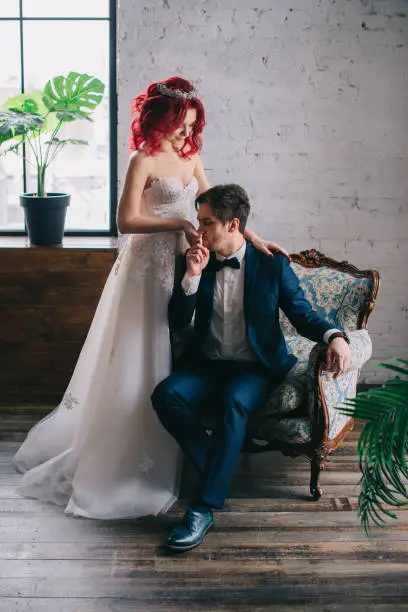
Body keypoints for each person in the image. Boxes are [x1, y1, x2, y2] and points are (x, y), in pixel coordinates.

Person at [12, 77, 290, 519]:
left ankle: (186, 450)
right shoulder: (142, 160)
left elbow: (216, 204)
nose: (187, 134)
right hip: (146, 267)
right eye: (182, 125)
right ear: (163, 119)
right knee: (144, 351)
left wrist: (251, 236)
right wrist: (178, 226)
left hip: (186, 261)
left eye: (193, 126)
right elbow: (125, 221)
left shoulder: (191, 156)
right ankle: (135, 454)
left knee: (178, 345)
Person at [151, 183, 351, 551]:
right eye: (198, 221)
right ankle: (218, 467)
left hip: (255, 367)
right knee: (166, 395)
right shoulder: (196, 258)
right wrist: (192, 277)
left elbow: (302, 313)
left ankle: (203, 506)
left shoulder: (271, 264)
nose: (199, 230)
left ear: (233, 224)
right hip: (207, 364)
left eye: (207, 222)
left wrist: (334, 336)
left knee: (234, 401)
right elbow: (177, 322)